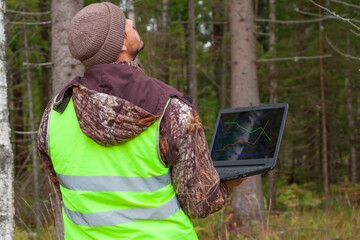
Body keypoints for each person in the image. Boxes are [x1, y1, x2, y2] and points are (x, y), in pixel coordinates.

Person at [37, 2, 246, 239]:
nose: (130, 23)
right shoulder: (172, 109)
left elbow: (63, 187)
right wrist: (228, 184)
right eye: (123, 23)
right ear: (122, 45)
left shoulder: (55, 114)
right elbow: (199, 203)